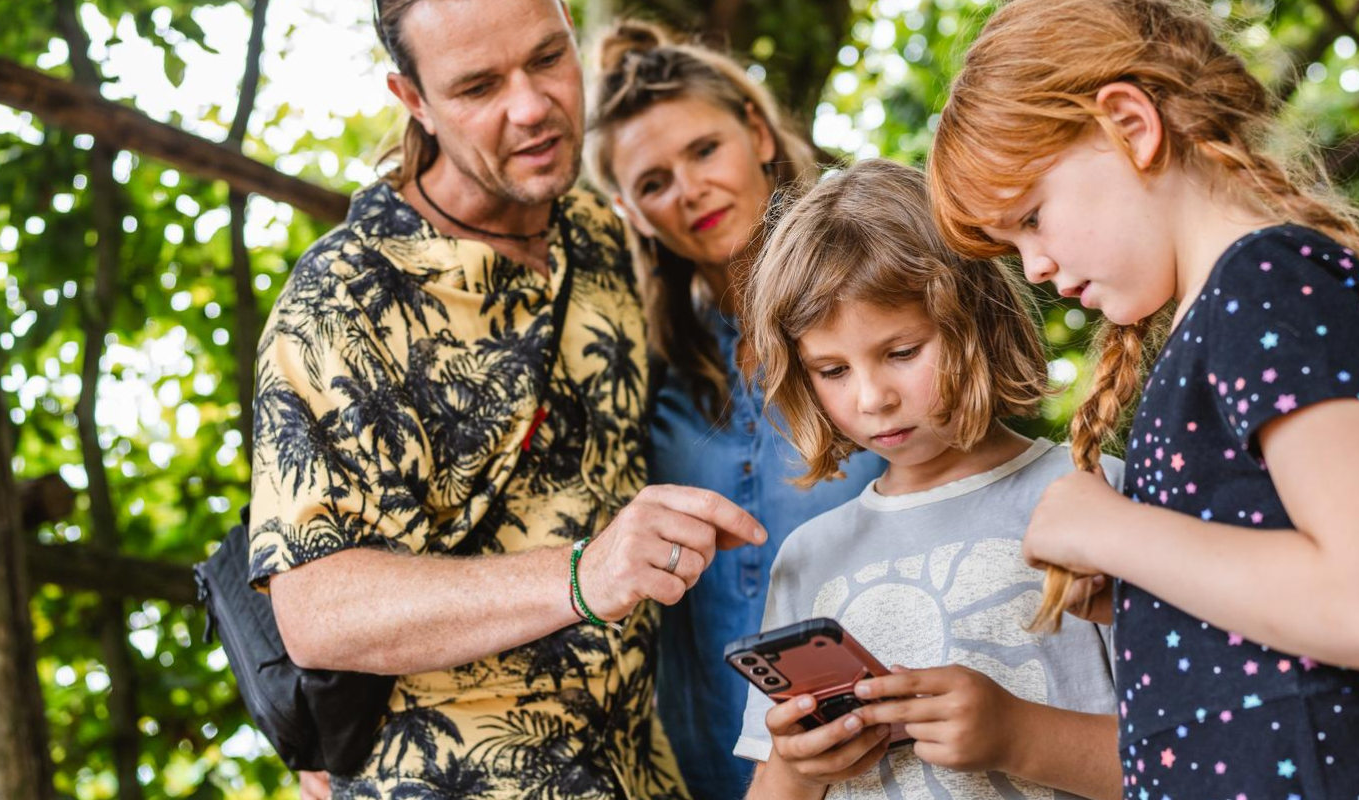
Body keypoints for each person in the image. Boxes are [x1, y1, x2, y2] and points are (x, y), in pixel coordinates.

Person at [929, 0, 1359, 797]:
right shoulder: (1221, 313)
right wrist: (1145, 597)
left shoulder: (1267, 283)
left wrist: (1119, 533)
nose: (1035, 267)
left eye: (1032, 218)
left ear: (1129, 124)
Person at [246, 1, 764, 798]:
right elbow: (314, 609)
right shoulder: (341, 300)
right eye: (479, 86)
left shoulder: (597, 231)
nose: (531, 107)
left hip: (645, 772)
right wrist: (585, 574)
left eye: (548, 58)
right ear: (412, 97)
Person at [734, 159, 1124, 800]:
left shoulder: (1099, 497)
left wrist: (1018, 734)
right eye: (831, 370)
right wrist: (798, 765)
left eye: (901, 352)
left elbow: (1195, 762)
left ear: (978, 319)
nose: (871, 398)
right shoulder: (808, 557)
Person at [581, 21, 887, 800]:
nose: (689, 190)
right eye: (654, 182)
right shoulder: (646, 368)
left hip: (886, 748)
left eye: (704, 150)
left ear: (755, 131)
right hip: (709, 764)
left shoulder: (879, 309)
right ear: (633, 211)